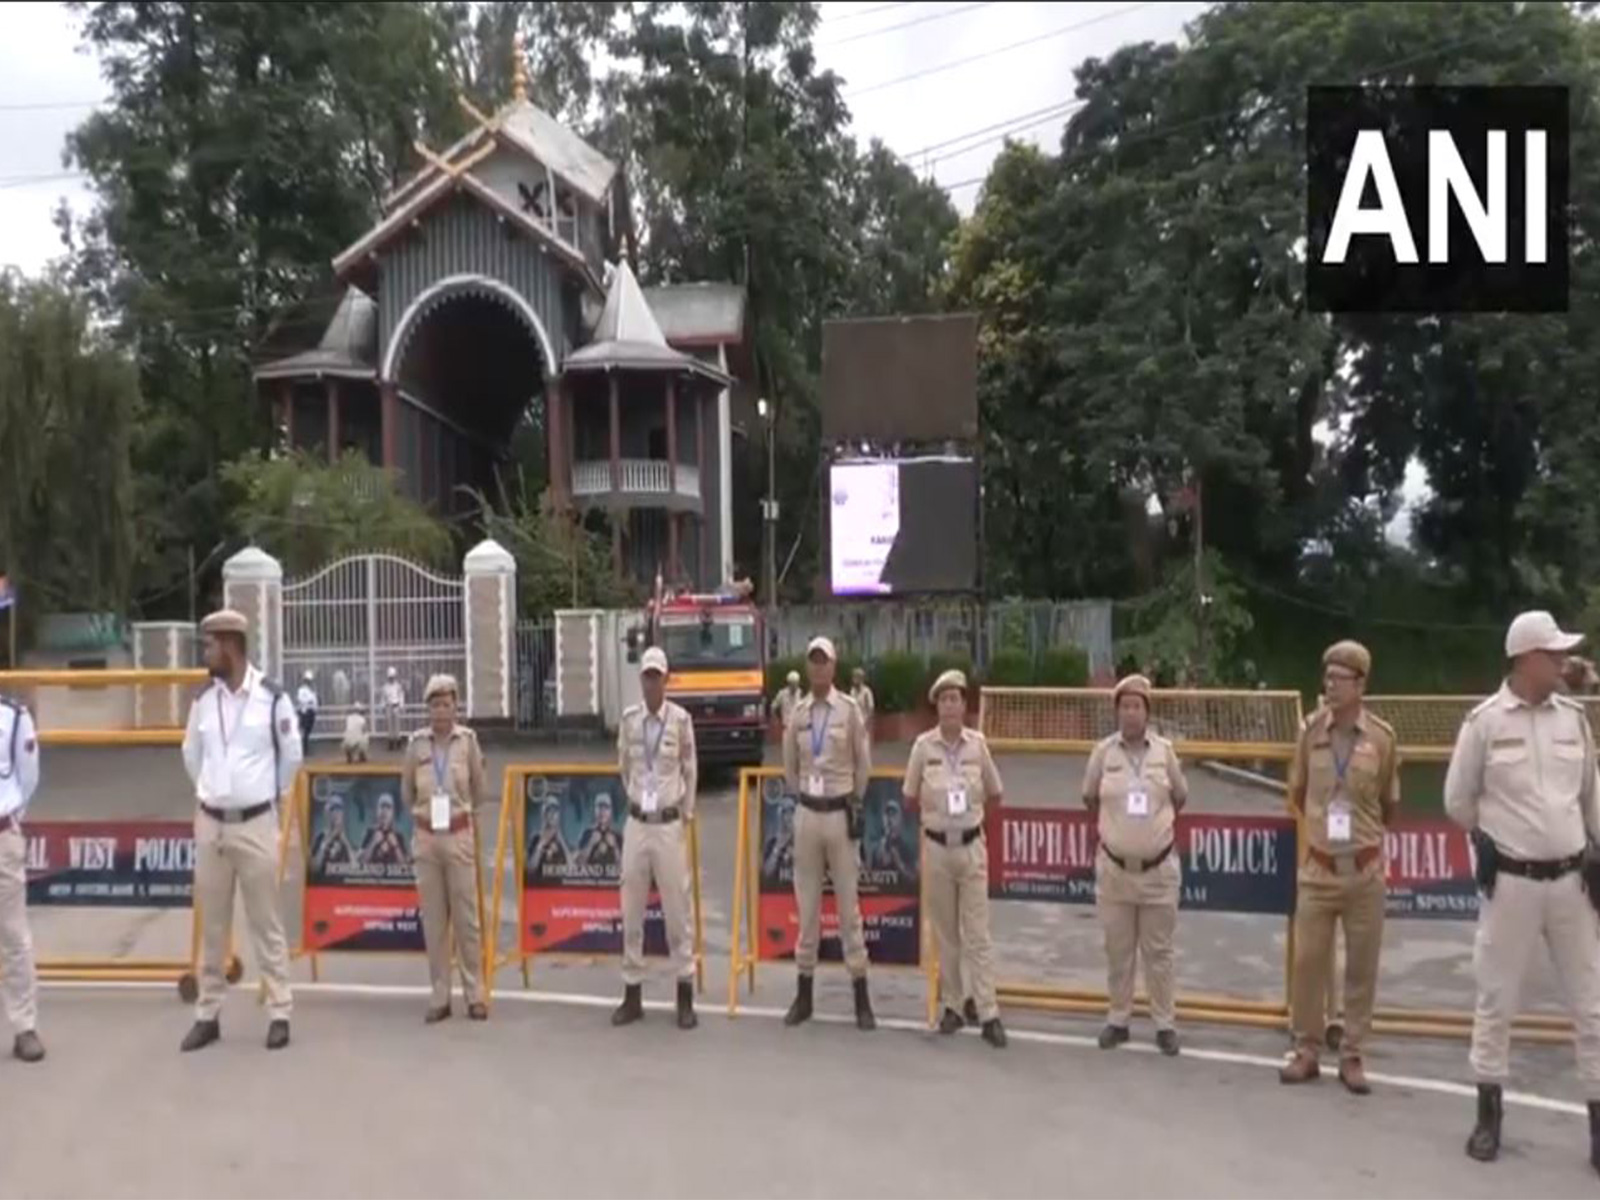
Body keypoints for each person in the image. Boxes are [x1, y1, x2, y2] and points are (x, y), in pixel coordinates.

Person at [1445, 611, 1600, 1170]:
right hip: (1511, 883)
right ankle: (1488, 1117)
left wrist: (1597, 852)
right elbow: (1458, 799)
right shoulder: (1484, 723)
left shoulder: (1574, 721)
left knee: (1592, 1004)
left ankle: (1598, 1126)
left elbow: (1590, 799)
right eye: (1554, 653)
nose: (1563, 662)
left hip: (1571, 882)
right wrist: (1485, 839)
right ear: (1526, 657)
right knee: (1496, 1001)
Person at [1279, 641, 1400, 1094]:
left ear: (1361, 684)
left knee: (1361, 967)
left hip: (1365, 872)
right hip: (1319, 869)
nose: (1330, 685)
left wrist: (1359, 841)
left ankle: (1352, 1053)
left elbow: (1390, 804)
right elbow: (1297, 791)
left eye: (1340, 678)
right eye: (1327, 676)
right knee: (1308, 962)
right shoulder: (1310, 732)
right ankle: (1306, 1049)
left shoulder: (1382, 738)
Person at [179, 608, 302, 1052]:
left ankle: (279, 1010)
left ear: (230, 646)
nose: (205, 652)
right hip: (212, 825)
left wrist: (264, 795)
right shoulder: (204, 701)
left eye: (210, 644)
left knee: (265, 921)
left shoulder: (272, 698)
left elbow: (291, 756)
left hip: (254, 823)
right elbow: (191, 753)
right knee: (212, 925)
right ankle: (208, 1014)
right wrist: (212, 793)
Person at [1083, 673, 1189, 1056]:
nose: (1130, 713)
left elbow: (1180, 796)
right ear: (1117, 711)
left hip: (1158, 870)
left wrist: (1151, 832)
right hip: (1114, 870)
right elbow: (1088, 797)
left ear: (1147, 711)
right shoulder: (1103, 753)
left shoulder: (1164, 752)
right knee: (1118, 950)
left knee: (1159, 952)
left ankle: (1164, 1023)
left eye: (1137, 706)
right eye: (1124, 706)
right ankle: (1118, 1019)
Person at [905, 668, 1006, 1048]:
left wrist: (971, 825)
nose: (950, 706)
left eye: (956, 699)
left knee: (977, 933)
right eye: (944, 700)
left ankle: (988, 1010)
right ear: (937, 706)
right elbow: (910, 795)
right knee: (945, 934)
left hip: (971, 847)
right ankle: (952, 1004)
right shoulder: (922, 747)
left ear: (965, 706)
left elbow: (995, 794)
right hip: (936, 847)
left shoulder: (977, 746)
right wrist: (937, 824)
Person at [782, 635, 875, 1031]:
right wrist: (803, 795)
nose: (818, 668)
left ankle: (861, 997)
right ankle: (803, 996)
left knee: (849, 910)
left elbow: (863, 764)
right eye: (813, 661)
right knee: (806, 911)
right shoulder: (798, 713)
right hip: (807, 813)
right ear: (807, 668)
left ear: (834, 668)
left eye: (825, 662)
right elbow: (789, 766)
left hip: (839, 814)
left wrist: (851, 801)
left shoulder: (850, 710)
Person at [611, 647, 699, 1029]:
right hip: (637, 823)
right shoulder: (630, 721)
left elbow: (690, 768)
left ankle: (684, 993)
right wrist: (636, 799)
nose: (651, 682)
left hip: (667, 824)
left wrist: (686, 812)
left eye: (657, 676)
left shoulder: (680, 720)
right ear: (641, 679)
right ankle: (632, 993)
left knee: (677, 911)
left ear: (667, 679)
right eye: (646, 675)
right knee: (631, 909)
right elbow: (623, 766)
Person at [400, 674, 488, 1024]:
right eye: (435, 704)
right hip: (426, 838)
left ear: (456, 707)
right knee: (434, 923)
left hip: (458, 835)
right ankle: (440, 995)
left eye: (447, 704)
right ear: (427, 709)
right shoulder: (416, 746)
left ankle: (475, 994)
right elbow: (406, 791)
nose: (441, 711)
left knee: (467, 921)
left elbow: (480, 790)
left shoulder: (467, 742)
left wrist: (460, 817)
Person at [0, 692, 43, 1062]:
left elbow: (28, 776)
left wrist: (11, 816)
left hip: (1, 837)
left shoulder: (12, 716)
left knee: (14, 936)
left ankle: (24, 1026)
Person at [359, 793, 411, 867]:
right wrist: (373, 843)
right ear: (377, 811)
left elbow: (405, 866)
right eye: (382, 807)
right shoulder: (369, 832)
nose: (384, 811)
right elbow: (361, 862)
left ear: (392, 813)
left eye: (388, 808)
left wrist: (395, 846)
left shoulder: (399, 836)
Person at [310, 796, 355, 873]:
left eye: (339, 810)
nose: (337, 813)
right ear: (327, 814)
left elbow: (355, 867)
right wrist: (329, 839)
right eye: (333, 810)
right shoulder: (320, 836)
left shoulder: (348, 838)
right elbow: (314, 867)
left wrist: (346, 842)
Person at [575, 794, 622, 868]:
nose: (602, 812)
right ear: (595, 810)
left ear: (611, 811)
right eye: (600, 807)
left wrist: (615, 847)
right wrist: (590, 843)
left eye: (606, 808)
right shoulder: (587, 833)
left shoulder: (618, 836)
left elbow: (624, 867)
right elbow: (577, 864)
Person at [527, 798, 570, 875]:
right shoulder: (536, 838)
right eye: (549, 811)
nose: (552, 815)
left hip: (559, 884)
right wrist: (541, 845)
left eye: (555, 812)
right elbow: (531, 869)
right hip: (540, 884)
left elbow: (572, 868)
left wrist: (561, 840)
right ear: (544, 815)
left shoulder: (562, 841)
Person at [762, 796, 796, 879]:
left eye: (791, 813)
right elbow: (767, 872)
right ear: (780, 817)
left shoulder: (804, 840)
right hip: (778, 887)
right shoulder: (772, 843)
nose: (789, 818)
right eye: (785, 813)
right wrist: (777, 849)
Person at [295, 670, 319, 754]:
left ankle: (305, 748)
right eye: (308, 681)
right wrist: (309, 702)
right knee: (304, 731)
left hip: (311, 712)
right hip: (305, 712)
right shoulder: (302, 690)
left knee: (307, 731)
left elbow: (315, 701)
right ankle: (304, 749)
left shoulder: (312, 690)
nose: (309, 682)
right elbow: (301, 700)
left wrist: (315, 708)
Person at [383, 668, 406, 751]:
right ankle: (391, 741)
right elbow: (384, 698)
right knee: (389, 726)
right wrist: (383, 707)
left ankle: (398, 741)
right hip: (389, 706)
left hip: (396, 706)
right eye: (390, 677)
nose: (391, 678)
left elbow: (401, 696)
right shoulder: (385, 687)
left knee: (397, 725)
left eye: (392, 677)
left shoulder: (398, 686)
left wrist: (401, 706)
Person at [851, 667, 876, 743]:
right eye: (854, 677)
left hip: (864, 724)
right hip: (854, 723)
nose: (855, 679)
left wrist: (867, 724)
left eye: (857, 677)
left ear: (861, 679)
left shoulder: (866, 692)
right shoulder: (852, 691)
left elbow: (871, 708)